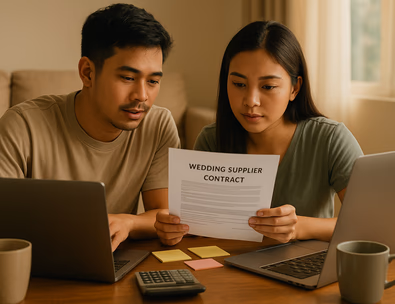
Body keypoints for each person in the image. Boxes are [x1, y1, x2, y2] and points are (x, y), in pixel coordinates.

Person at [155, 21, 363, 246]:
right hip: (227, 271)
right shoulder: (211, 140)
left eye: (267, 87)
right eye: (238, 84)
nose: (250, 101)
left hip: (305, 269)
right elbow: (197, 230)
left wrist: (298, 227)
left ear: (294, 88)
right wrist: (175, 228)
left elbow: (367, 224)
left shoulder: (331, 139)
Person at [0, 3, 179, 251]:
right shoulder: (22, 124)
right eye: (128, 78)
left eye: (153, 81)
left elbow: (162, 216)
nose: (142, 96)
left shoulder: (157, 125)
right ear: (87, 73)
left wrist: (129, 223)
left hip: (115, 263)